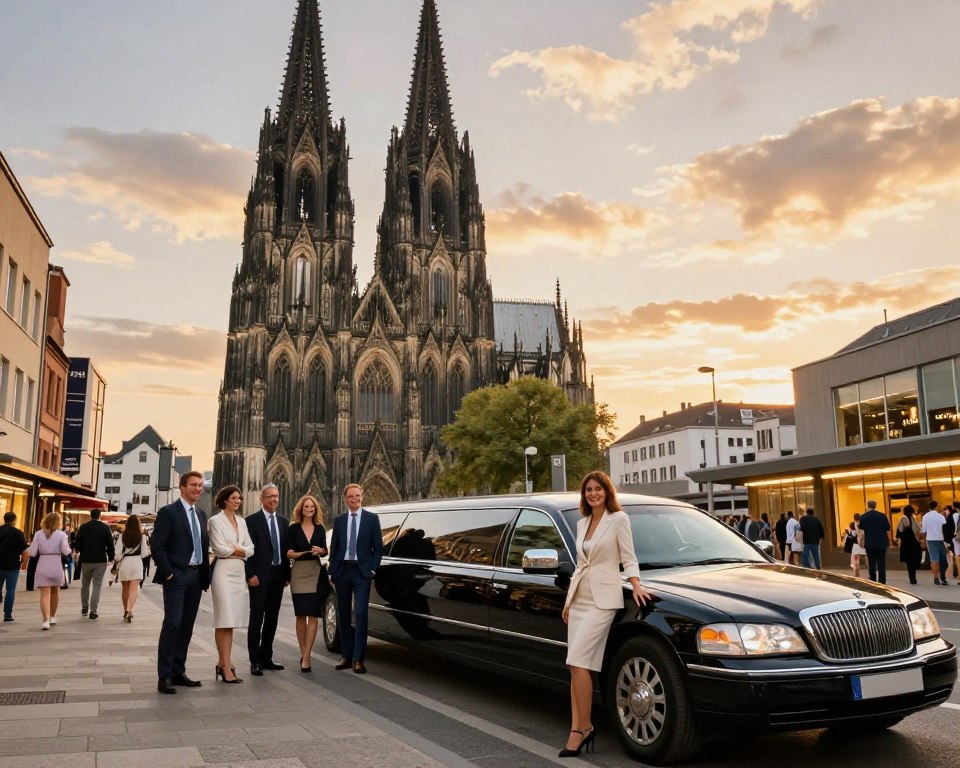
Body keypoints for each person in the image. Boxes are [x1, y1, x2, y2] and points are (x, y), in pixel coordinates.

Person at [560, 471, 651, 758]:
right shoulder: (582, 523)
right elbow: (580, 566)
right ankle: (578, 727)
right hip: (580, 598)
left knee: (578, 662)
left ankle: (583, 728)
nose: (593, 494)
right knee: (574, 666)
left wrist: (635, 584)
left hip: (603, 600)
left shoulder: (618, 519)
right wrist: (568, 601)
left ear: (606, 492)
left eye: (598, 489)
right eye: (588, 490)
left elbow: (628, 556)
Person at [152, 470, 210, 694]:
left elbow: (202, 547)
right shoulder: (169, 512)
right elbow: (158, 545)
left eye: (200, 485)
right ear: (182, 487)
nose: (198, 489)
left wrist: (205, 576)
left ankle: (178, 670)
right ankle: (164, 676)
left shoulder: (201, 514)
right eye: (193, 485)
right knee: (173, 624)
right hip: (176, 576)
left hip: (195, 577)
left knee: (186, 626)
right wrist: (168, 573)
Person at [329, 483, 382, 674]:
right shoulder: (340, 520)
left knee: (360, 614)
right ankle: (346, 656)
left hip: (362, 573)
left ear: (362, 497)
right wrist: (332, 572)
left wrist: (372, 571)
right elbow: (334, 548)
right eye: (351, 496)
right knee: (343, 615)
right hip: (343, 572)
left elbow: (378, 549)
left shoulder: (371, 519)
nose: (355, 499)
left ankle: (359, 659)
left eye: (357, 496)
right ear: (346, 499)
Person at [208, 485, 254, 684]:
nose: (238, 501)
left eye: (240, 498)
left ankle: (223, 662)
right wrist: (239, 549)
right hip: (223, 572)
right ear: (225, 500)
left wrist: (235, 549)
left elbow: (251, 548)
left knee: (231, 622)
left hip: (238, 572)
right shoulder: (215, 521)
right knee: (223, 620)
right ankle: (226, 666)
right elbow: (219, 549)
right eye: (235, 498)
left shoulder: (242, 522)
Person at [245, 483, 290, 675]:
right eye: (270, 496)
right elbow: (247, 552)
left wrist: (287, 575)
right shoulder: (251, 521)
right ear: (261, 499)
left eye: (276, 496)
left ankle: (267, 657)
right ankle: (255, 660)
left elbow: (285, 549)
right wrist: (250, 575)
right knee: (256, 619)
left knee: (272, 619)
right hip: (259, 577)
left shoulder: (283, 521)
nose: (274, 500)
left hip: (278, 577)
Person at [286, 494, 328, 672]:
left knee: (313, 615)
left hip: (316, 572)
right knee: (300, 615)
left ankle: (307, 656)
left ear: (315, 509)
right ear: (301, 509)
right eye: (306, 507)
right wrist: (303, 553)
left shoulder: (320, 528)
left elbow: (325, 551)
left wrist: (321, 550)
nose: (309, 509)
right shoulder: (293, 529)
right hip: (299, 573)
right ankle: (303, 652)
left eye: (312, 507)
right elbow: (288, 553)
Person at [28, 512, 72, 629]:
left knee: (44, 594)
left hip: (43, 562)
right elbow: (65, 550)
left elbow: (32, 552)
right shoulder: (62, 534)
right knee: (55, 591)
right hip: (56, 562)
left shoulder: (38, 534)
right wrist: (69, 550)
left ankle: (45, 620)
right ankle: (53, 616)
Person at [74, 508, 115, 619]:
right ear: (99, 516)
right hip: (100, 560)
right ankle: (93, 611)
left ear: (90, 516)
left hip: (86, 559)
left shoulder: (83, 527)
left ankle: (84, 607)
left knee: (85, 584)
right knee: (97, 585)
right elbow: (110, 545)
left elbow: (77, 544)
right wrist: (111, 557)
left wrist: (79, 550)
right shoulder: (105, 528)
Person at [115, 514, 149, 622]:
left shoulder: (122, 536)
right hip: (136, 562)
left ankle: (125, 609)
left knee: (125, 589)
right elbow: (144, 554)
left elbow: (117, 553)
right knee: (134, 589)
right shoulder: (142, 536)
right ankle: (130, 609)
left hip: (125, 563)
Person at [0, 512, 29, 622]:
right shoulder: (18, 533)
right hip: (13, 565)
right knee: (10, 590)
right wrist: (24, 564)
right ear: (14, 520)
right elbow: (25, 551)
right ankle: (7, 614)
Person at [859, 500, 891, 584]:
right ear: (875, 506)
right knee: (881, 563)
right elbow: (888, 529)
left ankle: (873, 581)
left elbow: (861, 533)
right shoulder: (882, 516)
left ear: (867, 506)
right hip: (881, 543)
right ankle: (882, 582)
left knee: (871, 563)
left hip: (869, 543)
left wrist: (861, 542)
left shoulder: (863, 517)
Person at [921, 500, 947, 585]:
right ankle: (943, 577)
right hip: (941, 539)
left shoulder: (925, 517)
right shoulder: (940, 516)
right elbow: (945, 528)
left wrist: (925, 539)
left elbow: (923, 530)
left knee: (934, 559)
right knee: (943, 559)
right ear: (936, 506)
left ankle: (936, 577)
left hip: (931, 540)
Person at [895, 505, 922, 585]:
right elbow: (918, 531)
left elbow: (898, 533)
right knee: (914, 560)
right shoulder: (914, 520)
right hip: (915, 543)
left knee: (909, 562)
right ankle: (913, 577)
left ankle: (912, 578)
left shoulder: (903, 519)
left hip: (906, 544)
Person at [849, 513, 866, 577]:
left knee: (856, 561)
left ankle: (857, 575)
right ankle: (870, 574)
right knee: (867, 559)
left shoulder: (851, 524)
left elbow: (851, 535)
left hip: (855, 545)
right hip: (862, 544)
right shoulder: (863, 524)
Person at [62, 522, 74, 588]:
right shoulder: (63, 534)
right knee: (67, 565)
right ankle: (66, 581)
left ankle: (68, 580)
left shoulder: (70, 533)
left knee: (69, 566)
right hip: (66, 553)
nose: (68, 528)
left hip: (67, 552)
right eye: (67, 526)